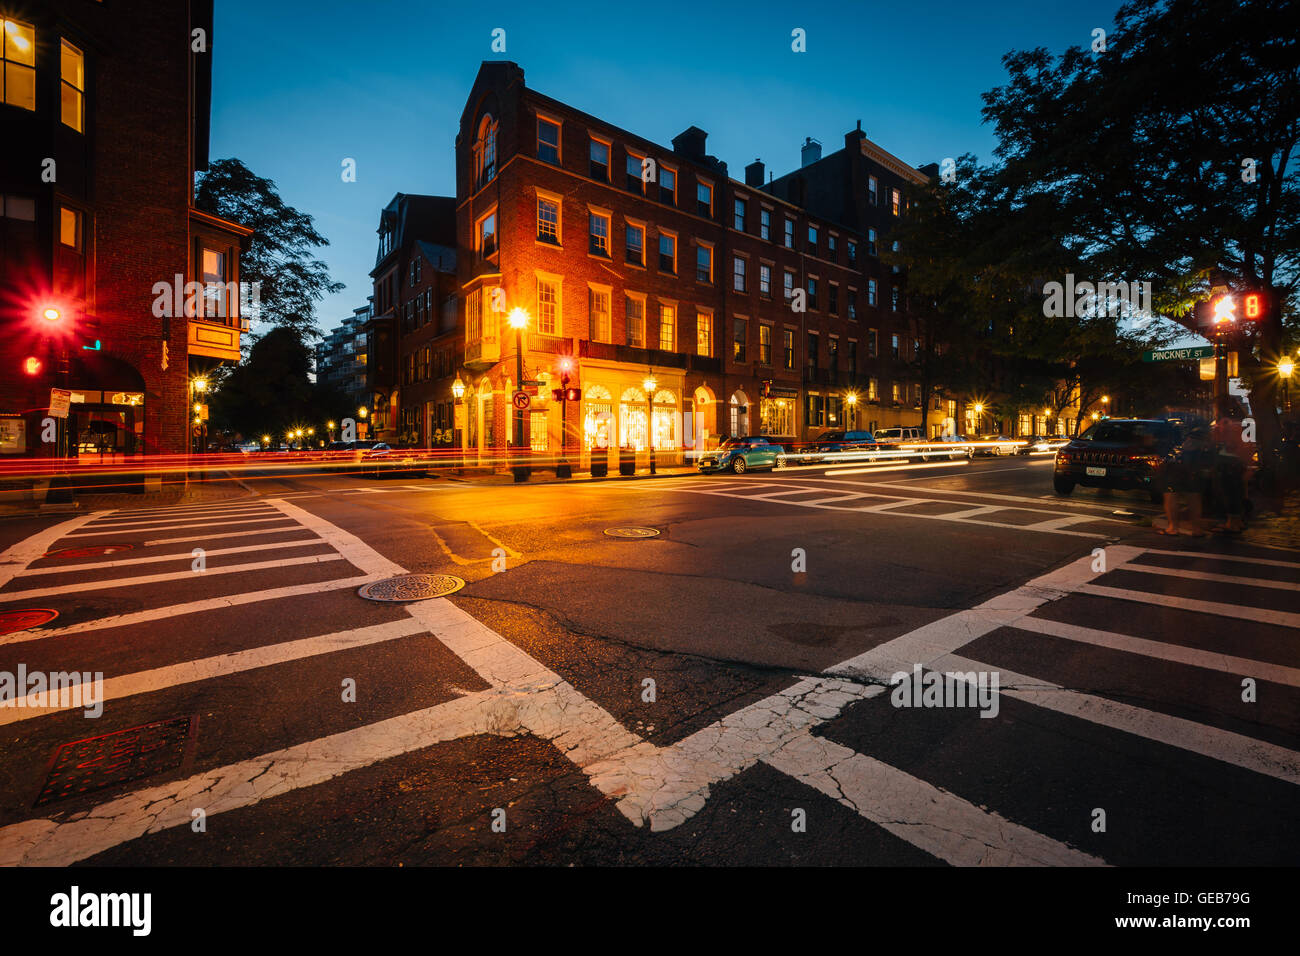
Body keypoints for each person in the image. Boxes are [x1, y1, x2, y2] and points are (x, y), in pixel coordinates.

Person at [1162, 423, 1212, 536]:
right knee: (1193, 496)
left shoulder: (1171, 428)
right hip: (1193, 467)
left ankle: (1173, 527)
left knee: (1171, 494)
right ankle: (1196, 528)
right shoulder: (1202, 428)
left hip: (1176, 466)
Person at [1210, 399, 1251, 533]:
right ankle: (1238, 521)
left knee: (1228, 491)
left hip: (1227, 460)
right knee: (1238, 491)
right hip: (1242, 461)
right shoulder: (1248, 422)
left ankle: (1231, 523)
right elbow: (1251, 443)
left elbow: (1217, 440)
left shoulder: (1224, 423)